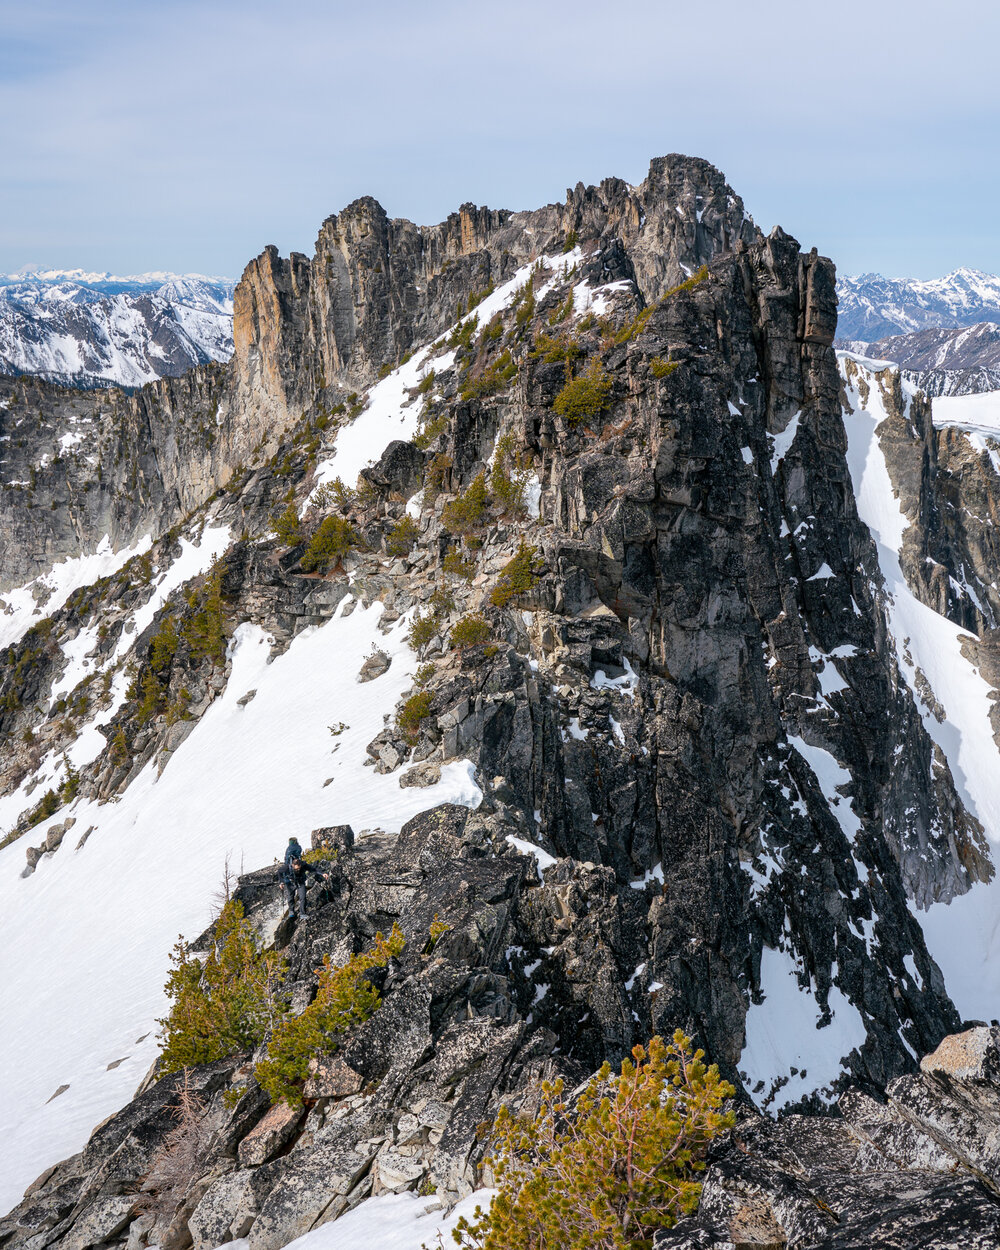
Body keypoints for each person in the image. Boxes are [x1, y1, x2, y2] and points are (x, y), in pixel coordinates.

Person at [278, 836, 330, 919]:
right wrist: (281, 882)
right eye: (296, 868)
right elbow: (279, 872)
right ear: (292, 865)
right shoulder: (287, 867)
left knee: (303, 897)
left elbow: (313, 869)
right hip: (290, 882)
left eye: (299, 868)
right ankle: (291, 911)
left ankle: (302, 914)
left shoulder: (303, 864)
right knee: (290, 897)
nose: (298, 869)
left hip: (300, 881)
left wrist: (322, 873)